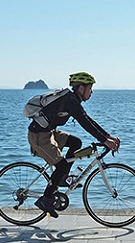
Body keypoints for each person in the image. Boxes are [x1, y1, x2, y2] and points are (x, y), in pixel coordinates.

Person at [28, 72, 120, 218]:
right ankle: (46, 199)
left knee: (76, 143)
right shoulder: (70, 101)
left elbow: (88, 120)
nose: (92, 91)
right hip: (39, 137)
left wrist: (107, 136)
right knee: (62, 164)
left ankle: (63, 177)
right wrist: (104, 141)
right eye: (90, 88)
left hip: (49, 133)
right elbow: (85, 124)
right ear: (81, 88)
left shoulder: (72, 100)